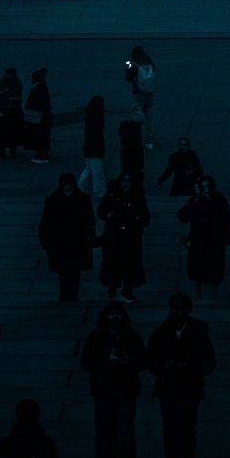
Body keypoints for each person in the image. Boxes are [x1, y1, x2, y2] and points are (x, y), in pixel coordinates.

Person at [145, 292, 217, 458]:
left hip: (189, 385)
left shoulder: (198, 331)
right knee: (170, 426)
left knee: (188, 426)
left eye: (181, 309)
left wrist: (190, 366)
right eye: (175, 309)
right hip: (169, 386)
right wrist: (165, 367)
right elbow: (151, 361)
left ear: (188, 310)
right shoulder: (161, 332)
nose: (178, 313)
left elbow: (208, 360)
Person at [79, 302, 147, 458]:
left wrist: (128, 361)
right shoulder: (96, 337)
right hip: (104, 389)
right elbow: (87, 362)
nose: (115, 317)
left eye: (118, 313)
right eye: (111, 314)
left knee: (126, 428)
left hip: (126, 388)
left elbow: (143, 361)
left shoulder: (132, 336)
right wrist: (106, 360)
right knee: (104, 428)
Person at [37, 173, 95, 301]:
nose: (67, 187)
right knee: (65, 271)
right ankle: (65, 294)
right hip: (61, 242)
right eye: (65, 184)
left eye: (69, 184)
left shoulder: (80, 199)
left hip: (76, 242)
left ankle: (72, 294)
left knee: (74, 271)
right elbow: (46, 222)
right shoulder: (54, 200)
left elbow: (90, 221)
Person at [97, 172, 150, 304]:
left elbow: (145, 215)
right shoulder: (112, 194)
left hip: (130, 235)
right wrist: (108, 215)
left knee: (130, 262)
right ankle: (112, 286)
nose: (126, 184)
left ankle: (127, 289)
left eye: (128, 181)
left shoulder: (137, 196)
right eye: (123, 181)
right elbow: (101, 211)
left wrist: (138, 222)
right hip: (114, 234)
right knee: (112, 260)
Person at [179, 175, 230, 300]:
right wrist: (196, 200)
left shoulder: (218, 198)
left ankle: (209, 298)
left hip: (214, 241)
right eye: (203, 186)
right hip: (198, 240)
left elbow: (226, 218)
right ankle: (200, 298)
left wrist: (226, 238)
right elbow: (183, 216)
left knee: (212, 273)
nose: (206, 189)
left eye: (208, 186)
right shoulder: (196, 199)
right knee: (197, 273)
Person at [125, 46, 157, 145]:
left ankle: (142, 139)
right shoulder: (148, 60)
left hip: (138, 92)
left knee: (138, 115)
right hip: (150, 91)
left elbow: (128, 78)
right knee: (149, 116)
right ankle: (150, 140)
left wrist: (128, 67)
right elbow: (154, 71)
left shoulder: (134, 64)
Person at [0, 68, 25, 160]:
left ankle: (8, 151)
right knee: (7, 133)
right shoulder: (16, 83)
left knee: (7, 133)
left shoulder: (2, 83)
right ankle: (7, 151)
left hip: (8, 112)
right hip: (9, 112)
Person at [79, 94, 107, 197]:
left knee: (88, 169)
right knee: (97, 172)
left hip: (89, 148)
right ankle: (99, 191)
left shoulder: (90, 116)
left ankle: (81, 188)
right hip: (95, 149)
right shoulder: (96, 119)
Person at [25, 68, 53, 164]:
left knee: (40, 136)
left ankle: (42, 154)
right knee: (42, 136)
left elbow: (35, 103)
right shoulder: (42, 87)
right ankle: (42, 153)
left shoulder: (38, 89)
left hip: (40, 118)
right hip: (43, 117)